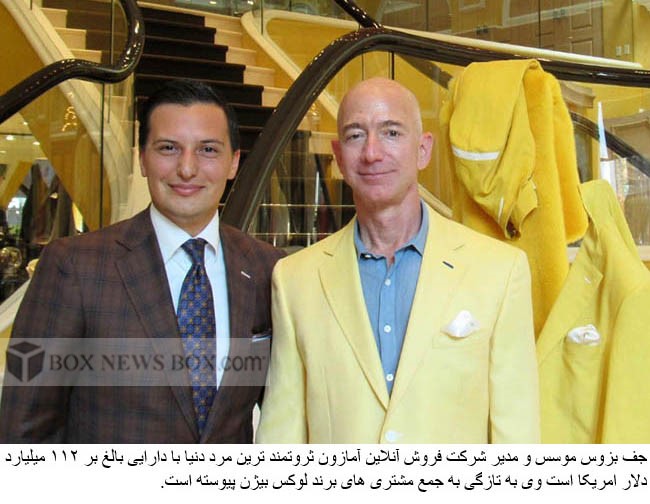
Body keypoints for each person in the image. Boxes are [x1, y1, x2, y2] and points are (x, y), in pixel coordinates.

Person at [257, 77, 540, 443]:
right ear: (339, 156)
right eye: (356, 135)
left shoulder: (499, 271)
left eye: (391, 133)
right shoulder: (295, 279)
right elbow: (281, 435)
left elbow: (517, 434)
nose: (372, 153)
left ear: (423, 150)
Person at [0, 79, 284, 443]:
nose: (187, 168)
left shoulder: (266, 268)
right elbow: (24, 428)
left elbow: (284, 407)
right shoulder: (73, 266)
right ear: (143, 159)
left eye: (208, 150)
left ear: (233, 162)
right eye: (168, 148)